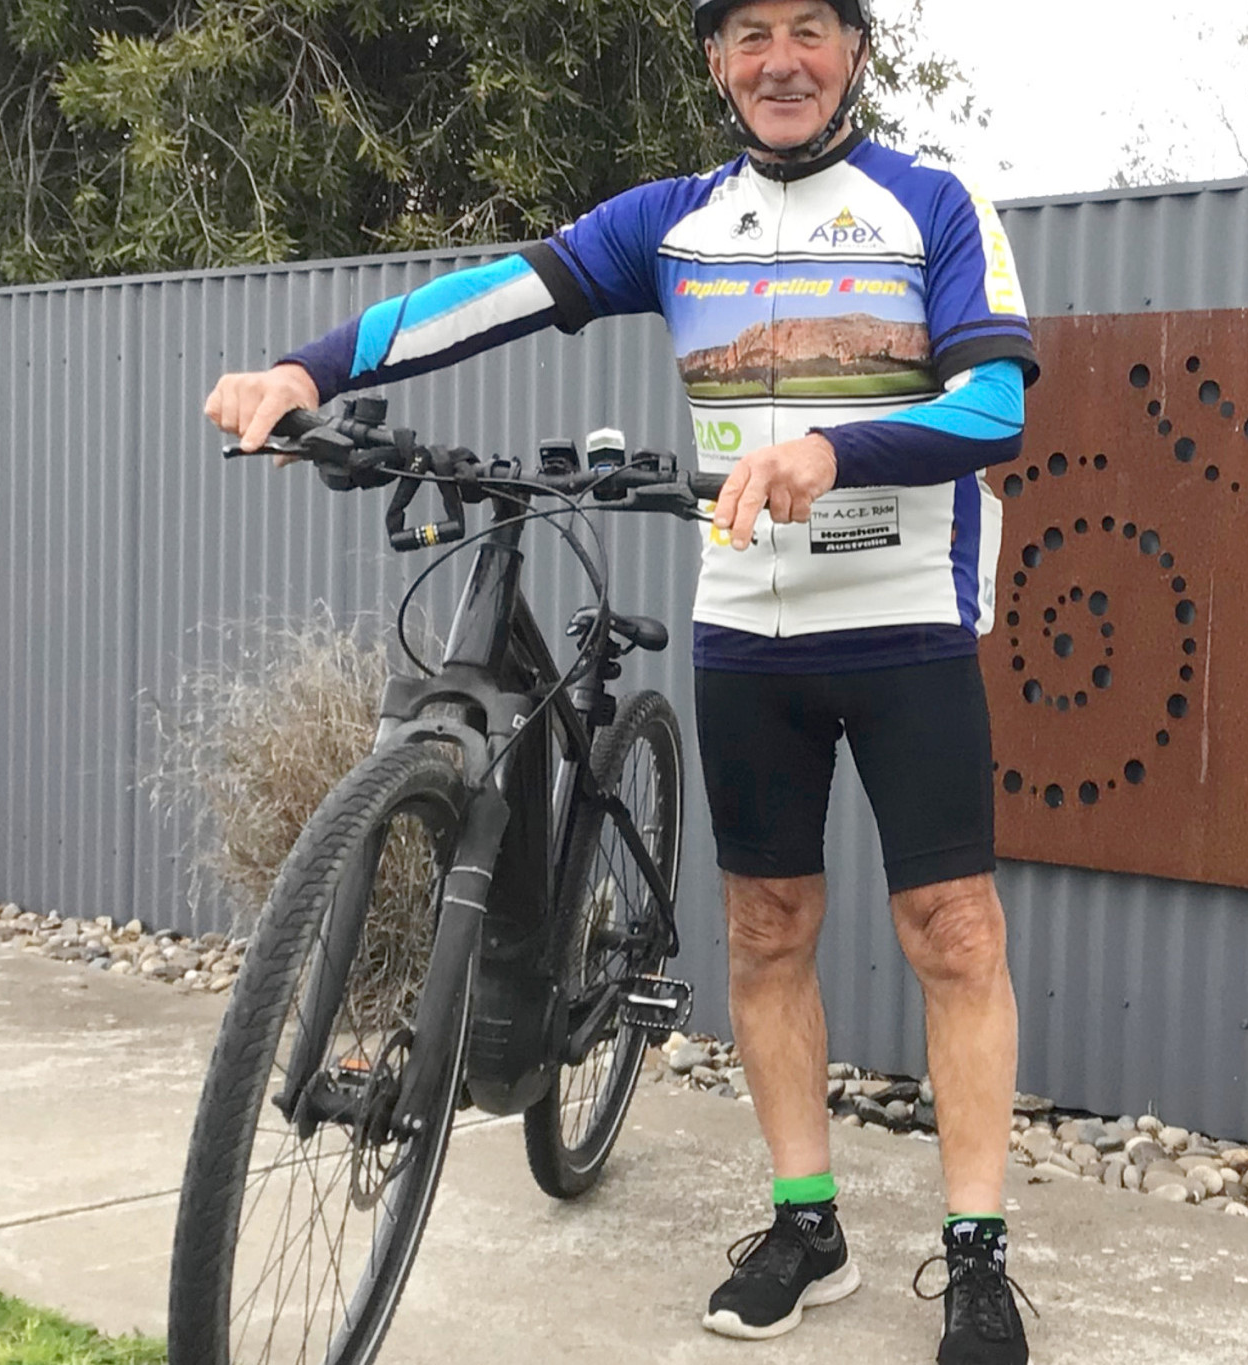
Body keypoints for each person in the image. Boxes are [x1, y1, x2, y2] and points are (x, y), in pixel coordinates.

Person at [204, 2, 1038, 1360]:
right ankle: (806, 1221)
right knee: (766, 927)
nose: (781, 59)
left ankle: (978, 1252)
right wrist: (308, 366)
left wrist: (827, 450)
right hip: (744, 630)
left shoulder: (934, 208)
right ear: (715, 62)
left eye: (810, 29)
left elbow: (993, 407)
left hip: (904, 629)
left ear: (856, 54)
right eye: (750, 32)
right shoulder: (674, 223)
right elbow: (494, 297)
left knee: (955, 930)